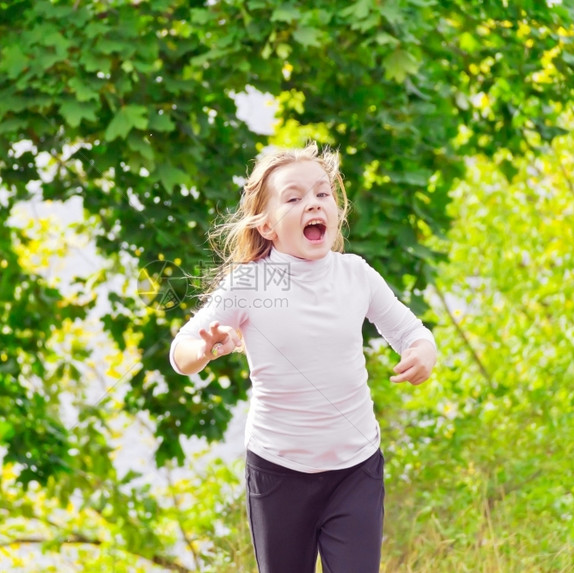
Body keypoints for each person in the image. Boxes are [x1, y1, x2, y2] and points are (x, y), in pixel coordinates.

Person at [169, 142, 437, 572]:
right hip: (279, 472)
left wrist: (423, 352)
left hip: (356, 469)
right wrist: (203, 348)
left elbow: (411, 331)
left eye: (322, 194)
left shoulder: (356, 274)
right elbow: (180, 351)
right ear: (269, 226)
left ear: (336, 211)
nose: (312, 204)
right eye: (293, 198)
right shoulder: (253, 282)